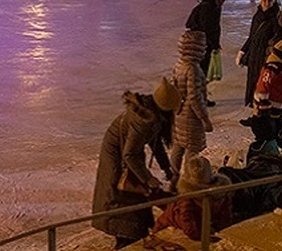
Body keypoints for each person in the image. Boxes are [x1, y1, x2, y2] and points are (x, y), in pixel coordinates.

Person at [92, 79, 179, 249]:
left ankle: (129, 237)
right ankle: (123, 241)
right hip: (118, 158)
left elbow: (156, 143)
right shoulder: (145, 119)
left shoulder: (152, 113)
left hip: (126, 155)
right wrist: (148, 179)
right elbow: (129, 154)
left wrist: (167, 167)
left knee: (136, 198)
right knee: (122, 197)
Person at [152, 155, 233, 242]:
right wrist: (201, 236)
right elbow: (186, 220)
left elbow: (225, 214)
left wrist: (220, 230)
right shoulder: (187, 199)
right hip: (169, 227)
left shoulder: (221, 192)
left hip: (194, 227)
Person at [169, 30, 213, 181]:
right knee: (191, 150)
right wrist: (205, 119)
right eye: (202, 47)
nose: (205, 50)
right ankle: (190, 179)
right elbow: (195, 97)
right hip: (190, 117)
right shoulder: (192, 69)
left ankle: (173, 178)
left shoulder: (179, 65)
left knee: (178, 146)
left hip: (179, 113)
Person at [186, 0, 233, 107]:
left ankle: (200, 97)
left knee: (202, 73)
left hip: (205, 45)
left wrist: (215, 43)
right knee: (199, 73)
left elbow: (213, 28)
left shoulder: (214, 5)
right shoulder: (209, 7)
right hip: (201, 46)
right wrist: (213, 44)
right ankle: (196, 99)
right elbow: (207, 29)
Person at [248, 37, 282, 151]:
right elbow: (263, 89)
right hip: (268, 106)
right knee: (266, 129)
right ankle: (264, 147)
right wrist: (263, 109)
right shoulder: (272, 69)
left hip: (281, 104)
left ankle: (278, 139)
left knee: (279, 124)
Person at [236, 0, 280, 107]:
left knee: (263, 80)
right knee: (252, 78)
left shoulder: (275, 18)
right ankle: (252, 100)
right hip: (254, 54)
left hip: (265, 55)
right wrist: (242, 51)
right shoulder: (257, 17)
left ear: (273, 2)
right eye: (264, 0)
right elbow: (252, 36)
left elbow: (277, 38)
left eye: (269, 1)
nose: (266, 3)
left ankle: (262, 103)